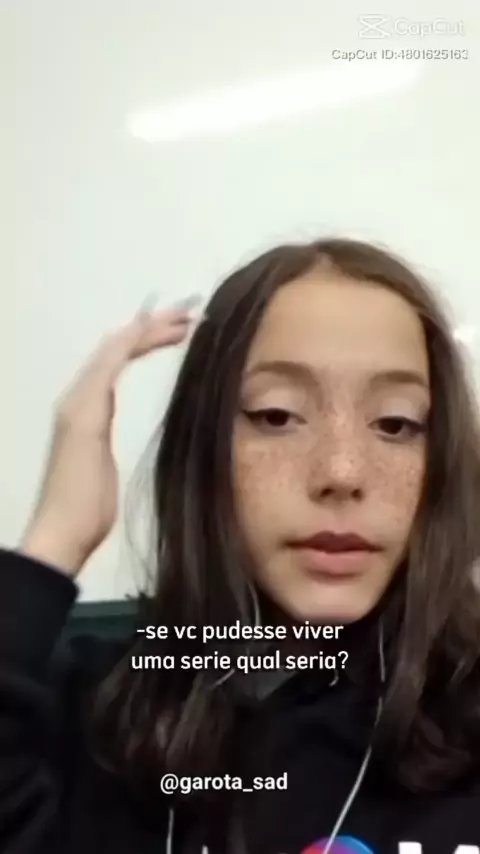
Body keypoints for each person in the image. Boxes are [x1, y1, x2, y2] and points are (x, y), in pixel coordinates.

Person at [1, 237, 480, 854]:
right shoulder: (87, 713)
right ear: (202, 452)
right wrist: (54, 541)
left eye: (395, 424)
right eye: (276, 416)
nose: (342, 471)